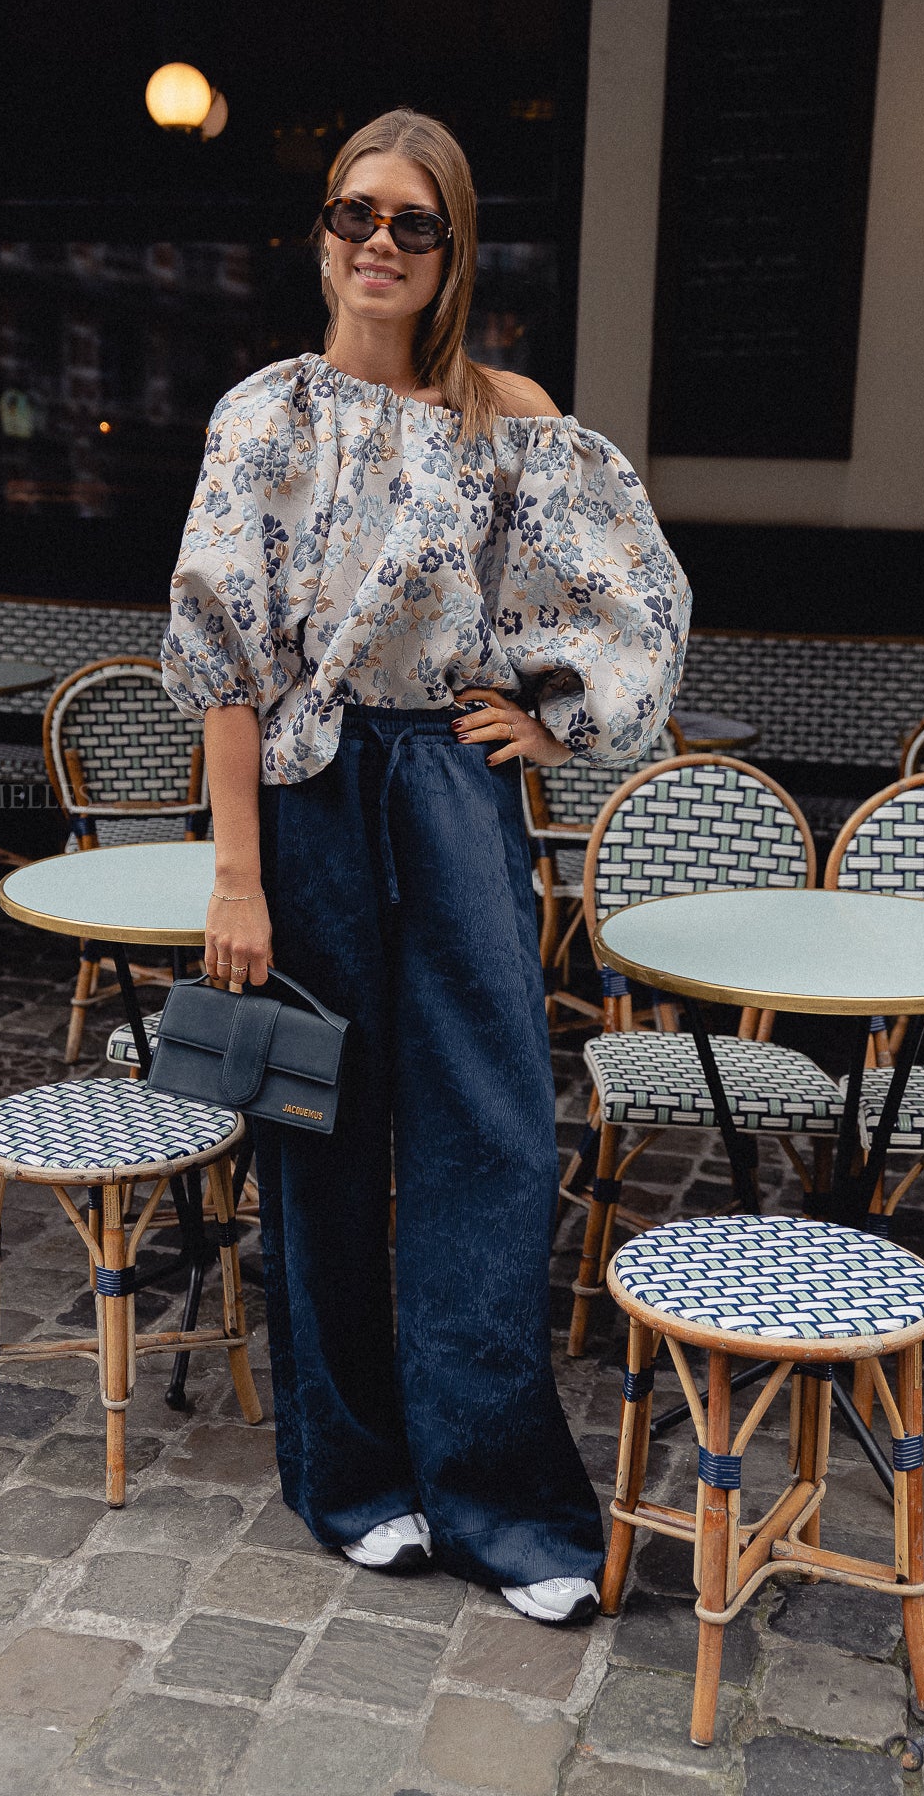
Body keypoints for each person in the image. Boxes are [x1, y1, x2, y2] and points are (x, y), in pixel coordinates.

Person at [162, 108, 689, 1625]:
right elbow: (225, 670)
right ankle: (351, 1480)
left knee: (494, 1141)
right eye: (354, 214)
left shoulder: (506, 416)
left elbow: (630, 590)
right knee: (318, 1141)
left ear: (455, 249)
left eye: (413, 223)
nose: (377, 245)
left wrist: (552, 719)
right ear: (318, 232)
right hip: (308, 794)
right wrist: (237, 882)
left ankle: (504, 1505)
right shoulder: (263, 416)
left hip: (448, 794)